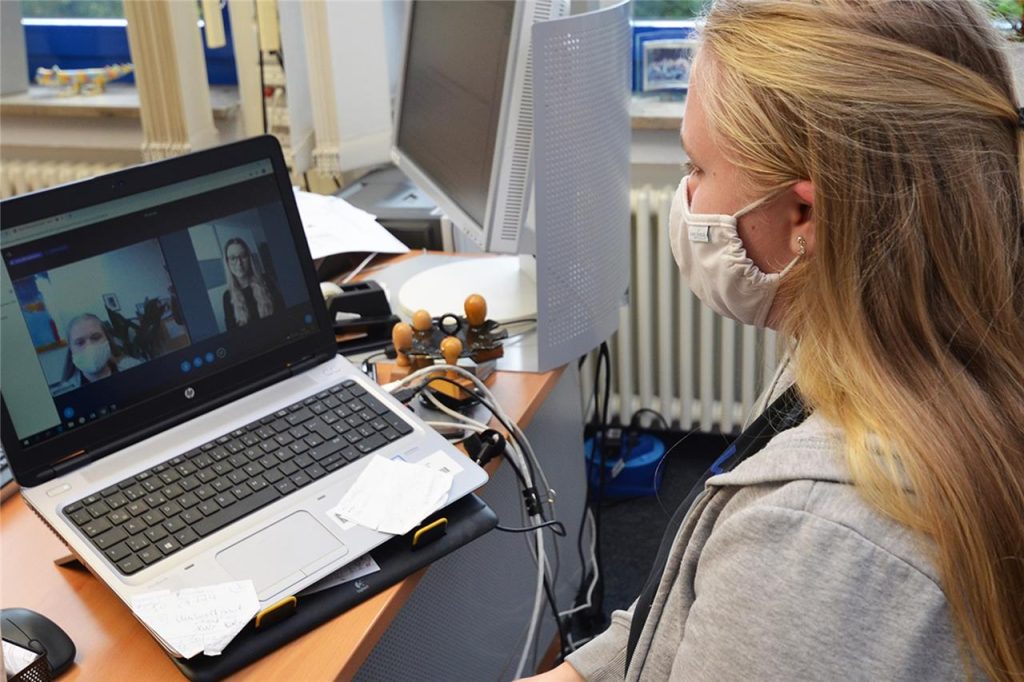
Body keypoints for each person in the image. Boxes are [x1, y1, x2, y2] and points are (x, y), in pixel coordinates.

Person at [526, 1, 1024, 680]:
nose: (686, 195)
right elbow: (678, 611)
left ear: (803, 215)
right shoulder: (881, 355)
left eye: (697, 168)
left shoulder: (816, 542)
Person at [52, 313, 143, 395]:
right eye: (80, 342)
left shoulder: (134, 368)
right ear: (71, 350)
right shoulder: (65, 393)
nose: (90, 347)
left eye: (96, 337)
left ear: (107, 339)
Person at [221, 237, 284, 329]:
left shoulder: (266, 280)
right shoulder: (227, 297)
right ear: (227, 262)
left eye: (243, 256)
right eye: (233, 258)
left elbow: (283, 313)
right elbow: (232, 332)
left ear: (249, 258)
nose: (239, 263)